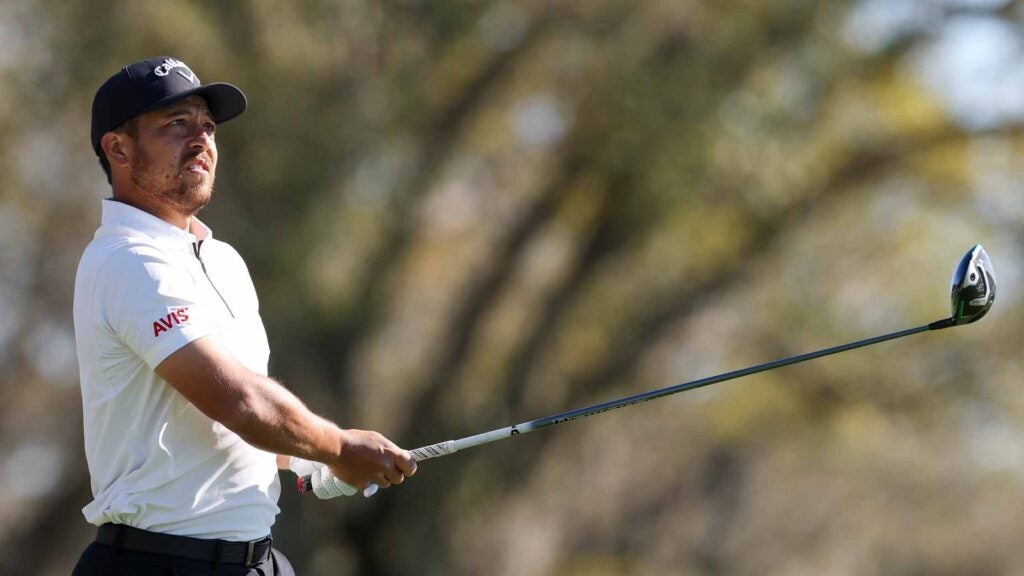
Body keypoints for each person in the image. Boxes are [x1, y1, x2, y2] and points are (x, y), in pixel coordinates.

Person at [71, 56, 416, 576]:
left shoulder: (222, 259)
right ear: (118, 148)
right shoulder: (128, 259)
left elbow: (237, 424)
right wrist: (339, 446)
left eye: (208, 126)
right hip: (154, 562)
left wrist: (312, 463)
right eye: (176, 125)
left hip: (256, 561)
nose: (202, 141)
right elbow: (241, 402)